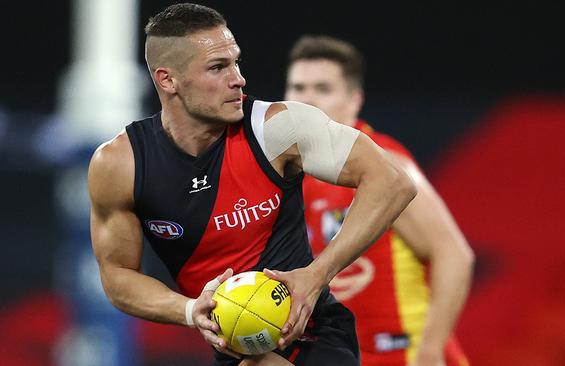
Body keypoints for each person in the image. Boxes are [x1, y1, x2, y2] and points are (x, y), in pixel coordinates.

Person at [87, 4, 416, 366]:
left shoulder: (277, 129)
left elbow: (392, 181)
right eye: (218, 67)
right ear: (168, 80)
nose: (238, 78)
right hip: (237, 347)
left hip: (312, 331)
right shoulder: (122, 164)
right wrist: (190, 309)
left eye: (236, 62)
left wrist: (316, 275)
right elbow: (118, 275)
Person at [284, 35, 474, 366]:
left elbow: (454, 255)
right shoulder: (289, 173)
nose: (307, 99)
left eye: (323, 88)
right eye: (298, 88)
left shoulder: (385, 167)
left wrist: (431, 350)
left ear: (355, 100)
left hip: (405, 355)